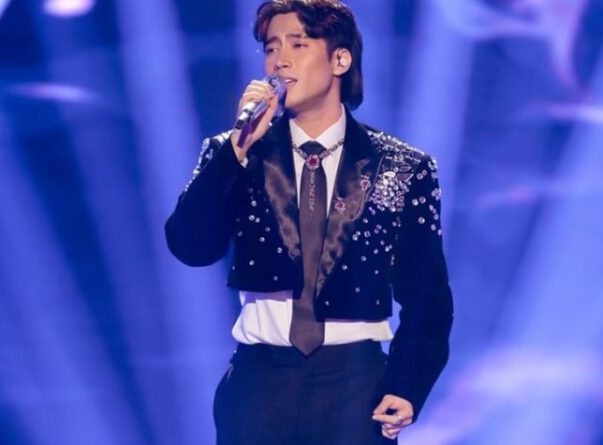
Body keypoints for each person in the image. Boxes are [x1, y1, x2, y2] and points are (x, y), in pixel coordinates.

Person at [165, 1, 453, 443]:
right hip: (258, 387)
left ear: (340, 59)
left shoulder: (402, 167)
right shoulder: (235, 153)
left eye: (297, 45)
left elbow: (427, 295)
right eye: (270, 47)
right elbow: (191, 247)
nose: (279, 60)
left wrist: (407, 385)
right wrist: (237, 150)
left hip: (357, 386)